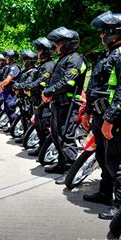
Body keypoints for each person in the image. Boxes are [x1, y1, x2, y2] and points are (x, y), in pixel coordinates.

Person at [80, 13, 121, 208]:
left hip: (114, 118)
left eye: (104, 32)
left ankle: (120, 208)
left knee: (116, 163)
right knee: (103, 158)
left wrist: (110, 118)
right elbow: (95, 86)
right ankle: (105, 193)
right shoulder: (108, 54)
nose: (101, 36)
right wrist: (88, 111)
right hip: (99, 114)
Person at [42, 27, 87, 185]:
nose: (56, 46)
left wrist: (48, 91)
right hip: (58, 103)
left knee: (66, 137)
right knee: (56, 134)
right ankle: (61, 164)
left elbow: (67, 82)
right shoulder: (63, 58)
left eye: (59, 43)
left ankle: (70, 170)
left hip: (68, 104)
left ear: (68, 43)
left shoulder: (75, 59)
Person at [22, 38, 56, 156]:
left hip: (44, 102)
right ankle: (41, 148)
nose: (38, 53)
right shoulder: (43, 65)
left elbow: (42, 81)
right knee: (38, 126)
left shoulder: (49, 65)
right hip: (37, 100)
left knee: (45, 127)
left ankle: (45, 151)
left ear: (46, 51)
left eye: (39, 50)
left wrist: (28, 86)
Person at [0, 49, 21, 129]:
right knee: (7, 109)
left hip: (12, 93)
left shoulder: (14, 67)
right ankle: (12, 127)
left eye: (7, 57)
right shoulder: (10, 67)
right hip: (7, 92)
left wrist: (1, 84)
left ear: (11, 58)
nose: (5, 59)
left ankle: (16, 128)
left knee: (11, 110)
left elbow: (8, 80)